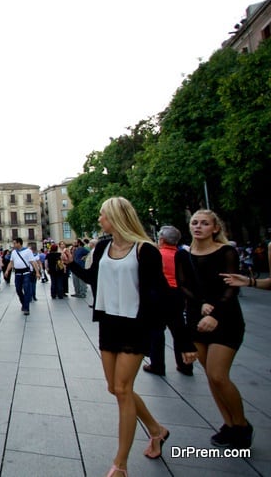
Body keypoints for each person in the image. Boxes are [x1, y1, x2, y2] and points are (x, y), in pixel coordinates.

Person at [63, 197, 196, 477]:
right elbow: (92, 279)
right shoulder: (102, 247)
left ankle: (120, 464)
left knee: (123, 390)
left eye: (103, 215)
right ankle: (157, 430)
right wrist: (70, 265)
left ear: (116, 217)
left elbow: (163, 295)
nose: (99, 219)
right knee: (114, 388)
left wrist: (183, 340)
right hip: (108, 323)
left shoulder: (145, 250)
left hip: (135, 326)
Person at [177, 209, 252, 449]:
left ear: (215, 228)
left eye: (205, 223)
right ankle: (228, 424)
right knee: (210, 375)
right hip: (197, 318)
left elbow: (232, 286)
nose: (198, 227)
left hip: (226, 318)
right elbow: (183, 285)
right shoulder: (183, 255)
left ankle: (241, 425)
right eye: (195, 223)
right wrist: (201, 306)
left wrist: (215, 312)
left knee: (219, 374)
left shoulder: (226, 252)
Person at [143, 226, 193, 377]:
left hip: (159, 295)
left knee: (156, 331)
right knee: (178, 330)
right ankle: (185, 365)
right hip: (177, 295)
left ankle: (157, 365)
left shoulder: (156, 254)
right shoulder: (182, 254)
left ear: (162, 239)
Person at [3, 238, 41, 315]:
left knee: (27, 290)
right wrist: (7, 271)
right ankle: (23, 303)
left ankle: (26, 308)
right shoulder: (13, 252)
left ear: (19, 243)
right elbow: (11, 262)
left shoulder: (28, 251)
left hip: (26, 272)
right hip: (17, 273)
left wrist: (37, 272)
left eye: (14, 243)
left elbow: (33, 262)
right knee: (18, 290)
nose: (13, 245)